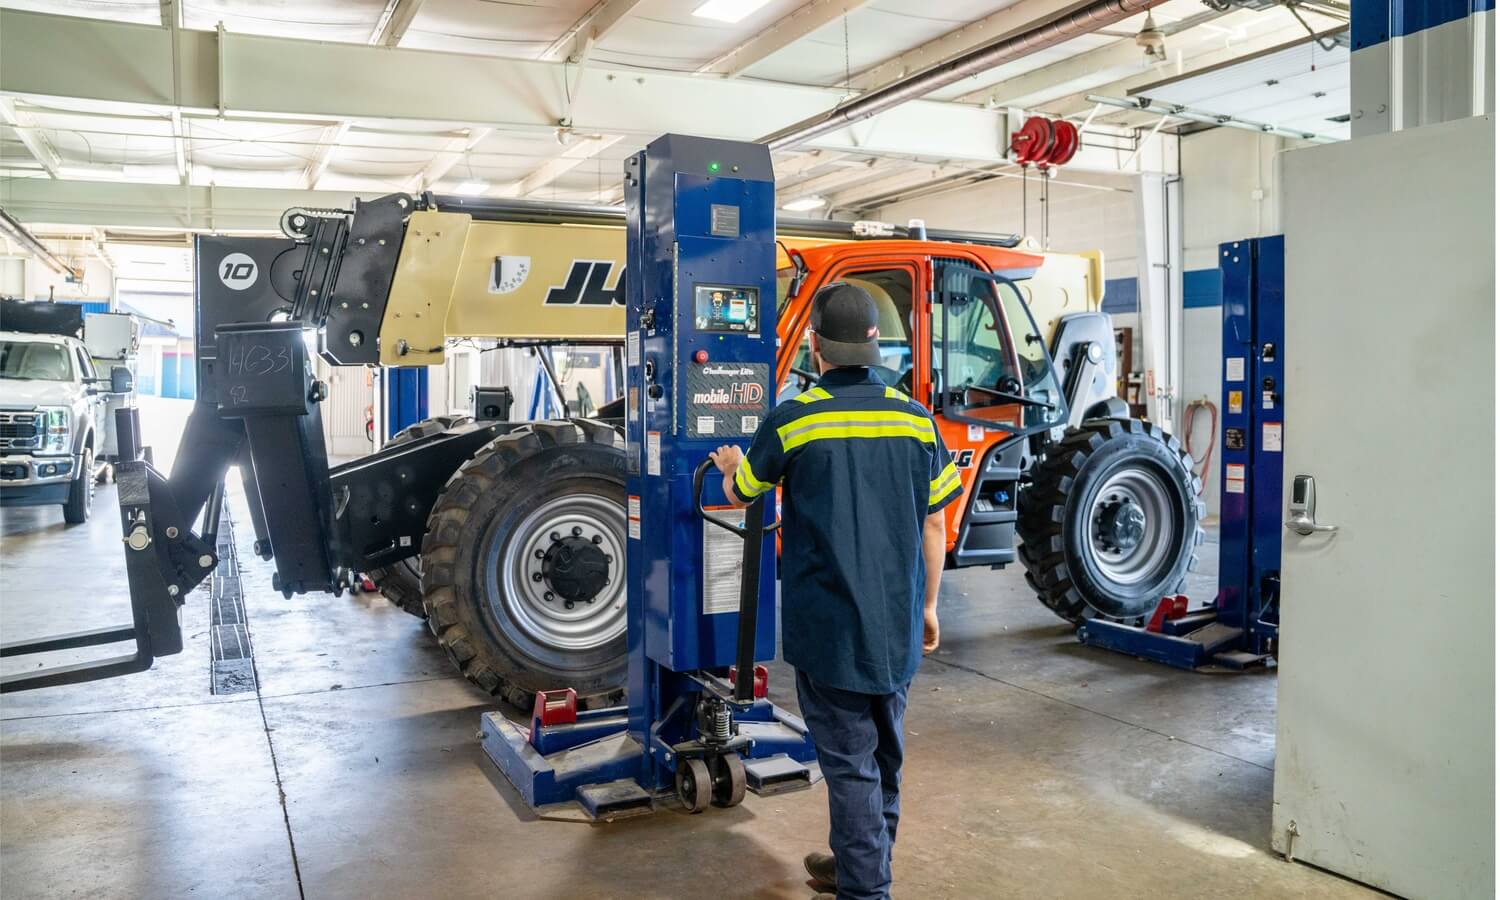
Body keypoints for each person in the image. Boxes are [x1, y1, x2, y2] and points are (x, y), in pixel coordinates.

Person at [710, 282, 962, 900]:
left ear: (815, 346)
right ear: (876, 344)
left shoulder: (794, 420)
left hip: (829, 632)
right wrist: (928, 606)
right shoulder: (916, 419)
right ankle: (863, 864)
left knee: (849, 766)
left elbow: (741, 492)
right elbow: (935, 522)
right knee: (884, 759)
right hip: (896, 627)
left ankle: (866, 888)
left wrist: (726, 466)